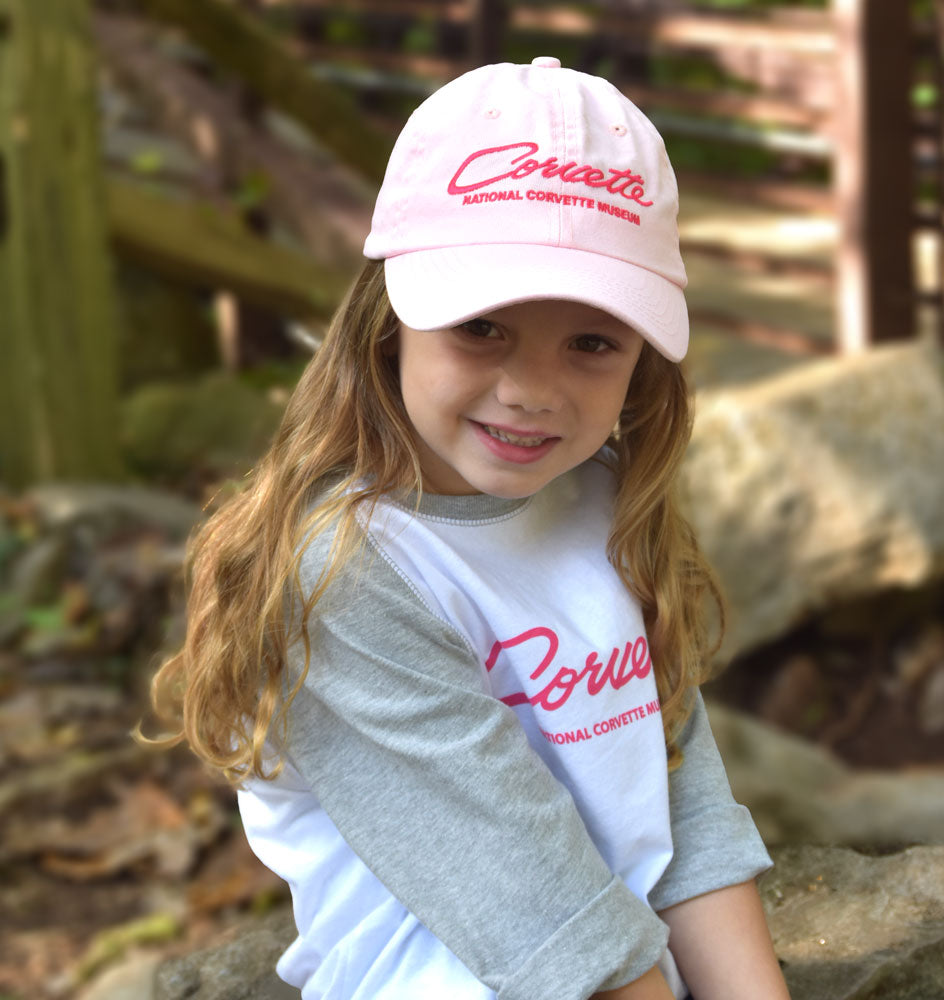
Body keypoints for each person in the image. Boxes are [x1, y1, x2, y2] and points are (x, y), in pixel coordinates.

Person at [145, 58, 792, 1000]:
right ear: (389, 322)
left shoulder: (605, 498)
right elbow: (542, 914)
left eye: (592, 343)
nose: (532, 390)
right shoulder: (346, 572)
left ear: (641, 362)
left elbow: (679, 789)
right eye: (482, 327)